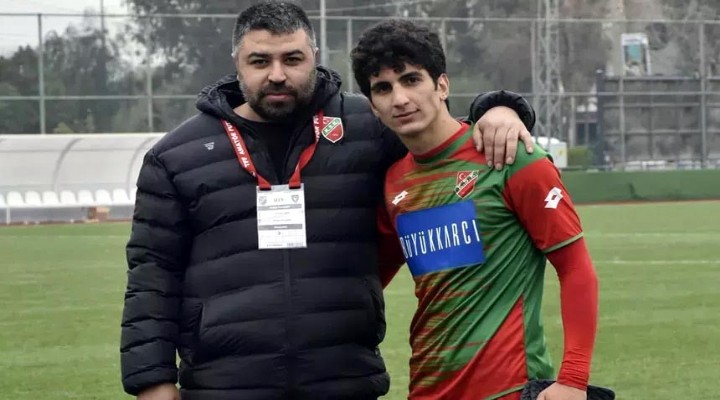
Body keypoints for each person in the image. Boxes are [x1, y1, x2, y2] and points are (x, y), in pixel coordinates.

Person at [120, 3, 537, 400]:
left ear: (315, 58)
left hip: (342, 380)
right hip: (224, 385)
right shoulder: (177, 156)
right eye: (260, 61)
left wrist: (498, 107)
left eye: (293, 59)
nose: (277, 74)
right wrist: (152, 380)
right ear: (238, 64)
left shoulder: (367, 126)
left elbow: (439, 133)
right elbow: (152, 275)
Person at [351, 20, 599, 400]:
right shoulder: (393, 183)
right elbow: (368, 280)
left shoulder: (511, 157)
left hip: (510, 389)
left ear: (442, 86)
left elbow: (576, 267)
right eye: (383, 88)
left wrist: (574, 379)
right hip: (427, 389)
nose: (399, 98)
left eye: (411, 80)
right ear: (373, 106)